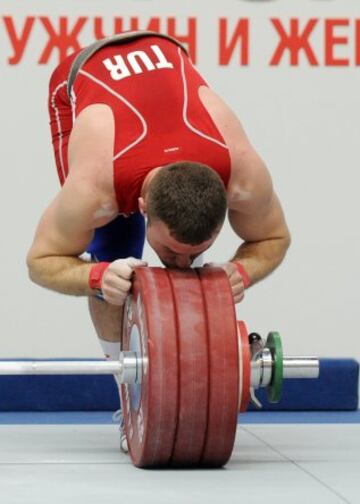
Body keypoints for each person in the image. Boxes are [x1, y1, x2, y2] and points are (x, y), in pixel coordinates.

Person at [26, 31, 291, 451]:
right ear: (145, 206)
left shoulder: (241, 173)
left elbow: (276, 236)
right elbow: (40, 261)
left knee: (119, 263)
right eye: (171, 252)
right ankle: (128, 395)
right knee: (115, 253)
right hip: (80, 75)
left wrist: (243, 270)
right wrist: (96, 277)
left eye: (197, 252)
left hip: (166, 50)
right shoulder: (96, 189)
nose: (182, 267)